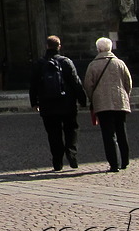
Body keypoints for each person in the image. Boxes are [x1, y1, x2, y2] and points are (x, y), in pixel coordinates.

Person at [29, 35, 88, 171]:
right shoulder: (66, 62)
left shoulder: (39, 64)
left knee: (53, 133)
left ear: (47, 46)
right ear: (59, 46)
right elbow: (75, 82)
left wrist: (34, 102)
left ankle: (57, 161)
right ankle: (71, 152)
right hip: (67, 103)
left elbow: (33, 85)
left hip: (47, 104)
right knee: (71, 129)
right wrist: (82, 99)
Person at [83, 37, 133, 173]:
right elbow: (128, 82)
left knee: (108, 134)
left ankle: (114, 164)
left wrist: (92, 98)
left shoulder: (93, 65)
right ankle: (125, 161)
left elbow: (88, 85)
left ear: (98, 49)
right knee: (121, 131)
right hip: (120, 102)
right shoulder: (120, 63)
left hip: (102, 104)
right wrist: (125, 96)